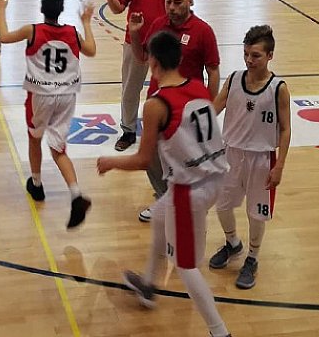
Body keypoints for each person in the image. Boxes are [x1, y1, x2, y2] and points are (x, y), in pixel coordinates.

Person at [97, 31, 231, 337]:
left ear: (153, 62)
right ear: (179, 59)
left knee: (185, 265)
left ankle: (219, 331)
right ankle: (148, 284)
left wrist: (111, 162)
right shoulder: (197, 87)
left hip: (190, 189)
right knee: (159, 215)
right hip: (216, 176)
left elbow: (143, 160)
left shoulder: (157, 104)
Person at [0, 0, 95, 229]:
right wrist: (86, 22)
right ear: (61, 9)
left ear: (41, 9)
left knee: (34, 137)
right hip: (67, 95)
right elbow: (91, 50)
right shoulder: (72, 32)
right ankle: (76, 194)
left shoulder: (33, 30)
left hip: (41, 95)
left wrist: (0, 9)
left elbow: (4, 37)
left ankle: (37, 184)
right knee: (59, 149)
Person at [208, 25, 291, 290]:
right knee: (222, 205)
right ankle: (233, 243)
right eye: (246, 54)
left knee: (256, 214)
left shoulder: (278, 88)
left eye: (255, 55)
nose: (248, 60)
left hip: (261, 159)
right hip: (230, 154)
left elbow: (286, 129)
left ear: (270, 56)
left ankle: (252, 258)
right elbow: (214, 108)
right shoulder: (234, 79)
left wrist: (279, 166)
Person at [129, 0, 220, 222]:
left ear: (190, 2)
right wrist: (135, 32)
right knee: (151, 156)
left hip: (187, 111)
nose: (171, 7)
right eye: (168, 2)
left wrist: (210, 108)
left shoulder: (203, 31)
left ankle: (185, 204)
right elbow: (142, 57)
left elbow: (213, 71)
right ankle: (165, 198)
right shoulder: (158, 25)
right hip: (157, 105)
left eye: (177, 2)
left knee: (184, 160)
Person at [94, 0, 189, 152]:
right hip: (135, 42)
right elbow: (118, 8)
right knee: (130, 88)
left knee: (166, 88)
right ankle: (128, 131)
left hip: (166, 45)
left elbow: (185, 5)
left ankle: (166, 129)